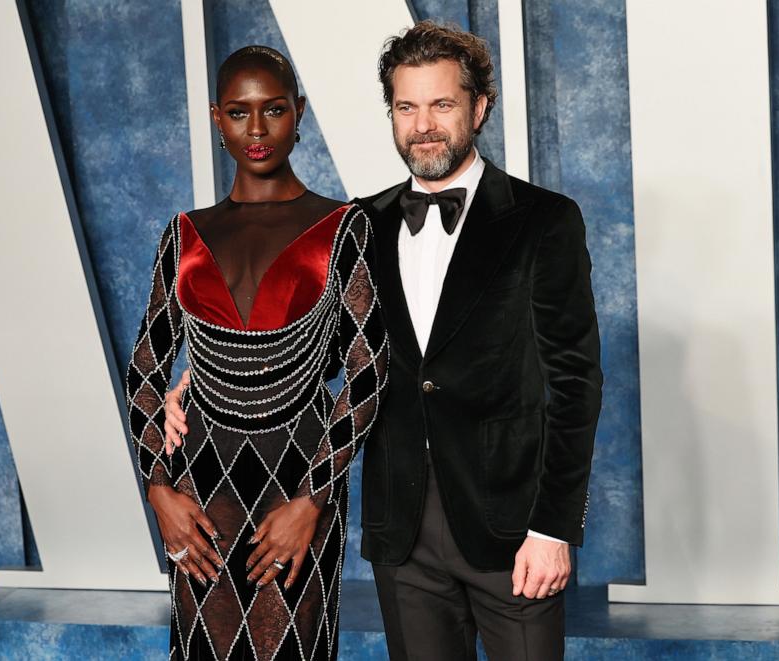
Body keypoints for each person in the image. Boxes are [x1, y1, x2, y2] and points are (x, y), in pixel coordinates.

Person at [164, 22, 602, 661]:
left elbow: (575, 385)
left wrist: (553, 527)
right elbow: (309, 343)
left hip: (512, 530)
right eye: (407, 107)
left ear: (480, 108)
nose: (423, 124)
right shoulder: (358, 224)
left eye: (442, 104)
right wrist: (191, 383)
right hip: (400, 531)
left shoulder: (545, 221)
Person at [125, 46, 389, 660]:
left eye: (273, 110)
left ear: (298, 112)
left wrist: (312, 499)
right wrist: (157, 489)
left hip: (298, 476)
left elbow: (369, 372)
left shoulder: (342, 226)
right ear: (217, 119)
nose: (258, 129)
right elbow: (146, 365)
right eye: (240, 114)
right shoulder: (185, 234)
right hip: (199, 487)